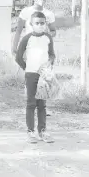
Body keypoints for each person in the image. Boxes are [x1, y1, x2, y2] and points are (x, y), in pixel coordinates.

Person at [15, 12, 56, 144]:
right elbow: (18, 57)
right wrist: (27, 68)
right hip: (31, 74)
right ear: (31, 24)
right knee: (31, 103)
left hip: (44, 75)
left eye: (42, 23)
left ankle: (42, 130)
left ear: (45, 24)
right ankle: (30, 131)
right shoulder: (27, 38)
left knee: (42, 105)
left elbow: (52, 55)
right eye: (37, 23)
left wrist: (48, 65)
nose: (40, 25)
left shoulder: (48, 37)